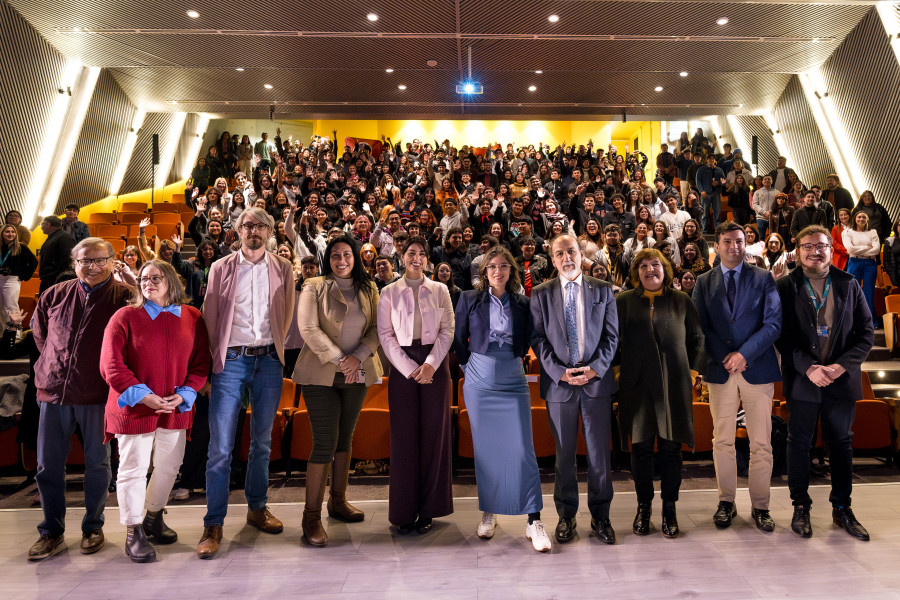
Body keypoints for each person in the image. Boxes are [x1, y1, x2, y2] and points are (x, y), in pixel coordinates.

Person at [197, 207, 296, 559]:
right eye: (248, 225)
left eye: (261, 226)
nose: (254, 231)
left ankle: (257, 507)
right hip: (232, 361)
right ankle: (214, 522)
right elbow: (209, 316)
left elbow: (286, 314)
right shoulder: (220, 268)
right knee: (221, 448)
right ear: (237, 230)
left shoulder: (283, 268)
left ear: (271, 231)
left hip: (268, 360)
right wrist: (212, 365)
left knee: (262, 443)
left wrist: (276, 349)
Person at [27, 238, 132, 561]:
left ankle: (93, 526)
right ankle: (51, 530)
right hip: (54, 391)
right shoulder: (54, 294)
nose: (93, 266)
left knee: (98, 464)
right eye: (85, 261)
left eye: (100, 260)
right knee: (47, 466)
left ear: (113, 262)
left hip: (98, 393)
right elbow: (41, 334)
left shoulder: (125, 297)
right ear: (74, 263)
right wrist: (51, 367)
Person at [99, 260, 210, 562]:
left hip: (175, 406)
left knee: (169, 467)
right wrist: (144, 396)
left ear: (172, 281)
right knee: (133, 469)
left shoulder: (192, 316)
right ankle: (133, 530)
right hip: (134, 408)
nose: (148, 283)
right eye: (143, 278)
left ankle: (153, 516)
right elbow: (110, 365)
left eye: (156, 277)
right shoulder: (125, 316)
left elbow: (201, 364)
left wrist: (186, 392)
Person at [775, 225, 874, 541]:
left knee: (842, 444)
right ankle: (800, 507)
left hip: (840, 381)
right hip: (804, 381)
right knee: (799, 443)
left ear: (831, 249)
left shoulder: (848, 283)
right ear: (798, 250)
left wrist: (840, 367)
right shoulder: (786, 286)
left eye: (820, 246)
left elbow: (866, 334)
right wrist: (809, 368)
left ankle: (842, 508)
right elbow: (781, 336)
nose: (814, 251)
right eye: (807, 246)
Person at [453, 246, 551, 552]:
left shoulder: (524, 303)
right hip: (479, 378)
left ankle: (534, 520)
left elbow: (534, 337)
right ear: (484, 271)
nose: (498, 271)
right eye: (492, 266)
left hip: (512, 376)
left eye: (503, 266)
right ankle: (489, 512)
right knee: (486, 451)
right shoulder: (469, 299)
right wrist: (468, 367)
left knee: (523, 449)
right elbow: (458, 338)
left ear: (512, 271)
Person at [692, 222, 782, 533]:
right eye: (728, 241)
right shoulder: (703, 282)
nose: (734, 247)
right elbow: (700, 326)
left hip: (756, 368)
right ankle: (725, 502)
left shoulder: (763, 278)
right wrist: (726, 356)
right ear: (716, 246)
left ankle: (761, 505)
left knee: (761, 442)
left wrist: (744, 354)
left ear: (747, 245)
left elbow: (773, 324)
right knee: (722, 440)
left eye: (740, 241)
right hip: (720, 370)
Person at [530, 234, 619, 545]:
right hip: (560, 387)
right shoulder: (540, 294)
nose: (566, 257)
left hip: (596, 383)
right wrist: (560, 373)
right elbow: (538, 339)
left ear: (582, 255)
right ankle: (566, 516)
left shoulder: (604, 290)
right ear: (553, 260)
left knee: (599, 456)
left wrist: (596, 368)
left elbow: (611, 337)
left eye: (571, 251)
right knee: (564, 457)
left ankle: (601, 517)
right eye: (559, 253)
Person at [295, 235, 383, 546]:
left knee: (345, 438)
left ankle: (338, 501)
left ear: (356, 257)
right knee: (324, 442)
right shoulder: (314, 285)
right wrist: (339, 359)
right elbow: (308, 327)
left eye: (347, 254)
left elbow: (376, 329)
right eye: (335, 255)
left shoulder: (369, 287)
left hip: (357, 371)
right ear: (327, 259)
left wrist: (356, 357)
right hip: (320, 373)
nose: (342, 260)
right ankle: (311, 516)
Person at [616, 248, 704, 538]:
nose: (649, 270)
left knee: (670, 447)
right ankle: (643, 507)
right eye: (643, 266)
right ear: (636, 272)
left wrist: (692, 372)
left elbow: (697, 339)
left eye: (655, 264)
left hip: (673, 384)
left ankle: (669, 508)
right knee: (640, 447)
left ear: (665, 269)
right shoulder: (624, 302)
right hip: (637, 384)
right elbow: (611, 340)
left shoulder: (681, 300)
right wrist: (618, 371)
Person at [377, 237, 455, 534]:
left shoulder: (440, 289)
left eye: (422, 253)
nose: (417, 258)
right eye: (412, 253)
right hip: (402, 365)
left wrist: (432, 363)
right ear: (402, 256)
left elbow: (448, 330)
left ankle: (429, 510)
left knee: (434, 437)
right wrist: (411, 369)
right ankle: (404, 511)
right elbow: (385, 335)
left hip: (436, 361)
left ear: (427, 259)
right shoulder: (389, 292)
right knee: (405, 439)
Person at [842, 211, 881, 320]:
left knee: (869, 291)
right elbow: (850, 249)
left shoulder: (873, 232)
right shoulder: (847, 232)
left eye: (864, 217)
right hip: (854, 262)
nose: (861, 219)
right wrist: (866, 247)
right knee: (853, 291)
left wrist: (857, 250)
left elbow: (877, 250)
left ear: (867, 220)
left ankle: (870, 320)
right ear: (855, 219)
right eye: (859, 217)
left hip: (870, 264)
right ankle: (854, 320)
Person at [0, 224, 37, 328]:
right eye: (7, 231)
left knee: (12, 307)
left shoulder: (21, 247)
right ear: (2, 233)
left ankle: (15, 334)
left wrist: (24, 276)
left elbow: (33, 262)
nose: (10, 234)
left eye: (13, 232)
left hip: (12, 280)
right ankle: (2, 333)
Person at [38, 216, 75, 294]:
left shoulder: (64, 237)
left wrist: (58, 276)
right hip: (49, 277)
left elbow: (67, 259)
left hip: (55, 279)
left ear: (48, 224)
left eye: (42, 224)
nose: (41, 227)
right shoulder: (55, 236)